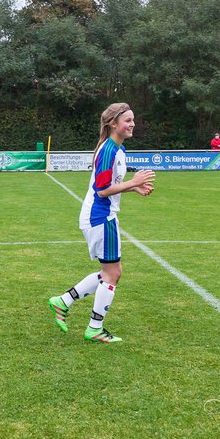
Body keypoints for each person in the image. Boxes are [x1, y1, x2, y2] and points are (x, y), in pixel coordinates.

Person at [46, 103, 155, 343]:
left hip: (101, 216)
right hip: (100, 217)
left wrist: (134, 187)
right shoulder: (108, 151)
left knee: (110, 272)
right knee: (113, 273)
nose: (132, 124)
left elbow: (109, 185)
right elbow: (103, 190)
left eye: (133, 119)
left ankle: (63, 302)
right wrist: (133, 182)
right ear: (113, 124)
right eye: (127, 120)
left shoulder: (117, 149)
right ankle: (94, 327)